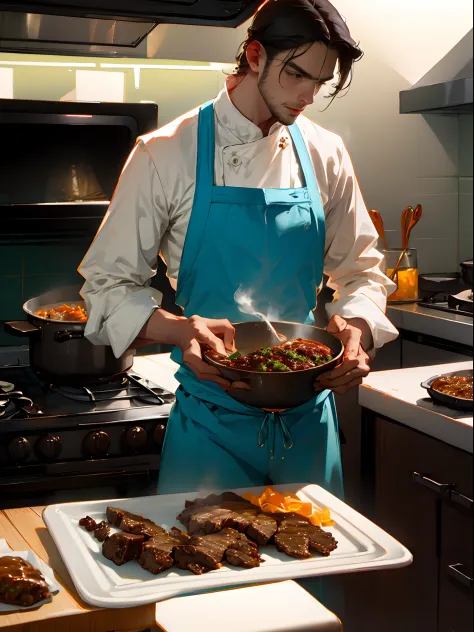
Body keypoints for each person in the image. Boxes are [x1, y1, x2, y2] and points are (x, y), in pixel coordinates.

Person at [79, 0, 398, 499]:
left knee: (320, 570)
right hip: (211, 420)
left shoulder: (325, 152)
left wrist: (355, 332)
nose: (307, 95)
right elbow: (107, 287)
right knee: (204, 565)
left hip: (310, 416)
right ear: (254, 55)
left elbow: (362, 272)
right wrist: (181, 329)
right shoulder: (165, 152)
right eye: (296, 75)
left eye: (321, 82)